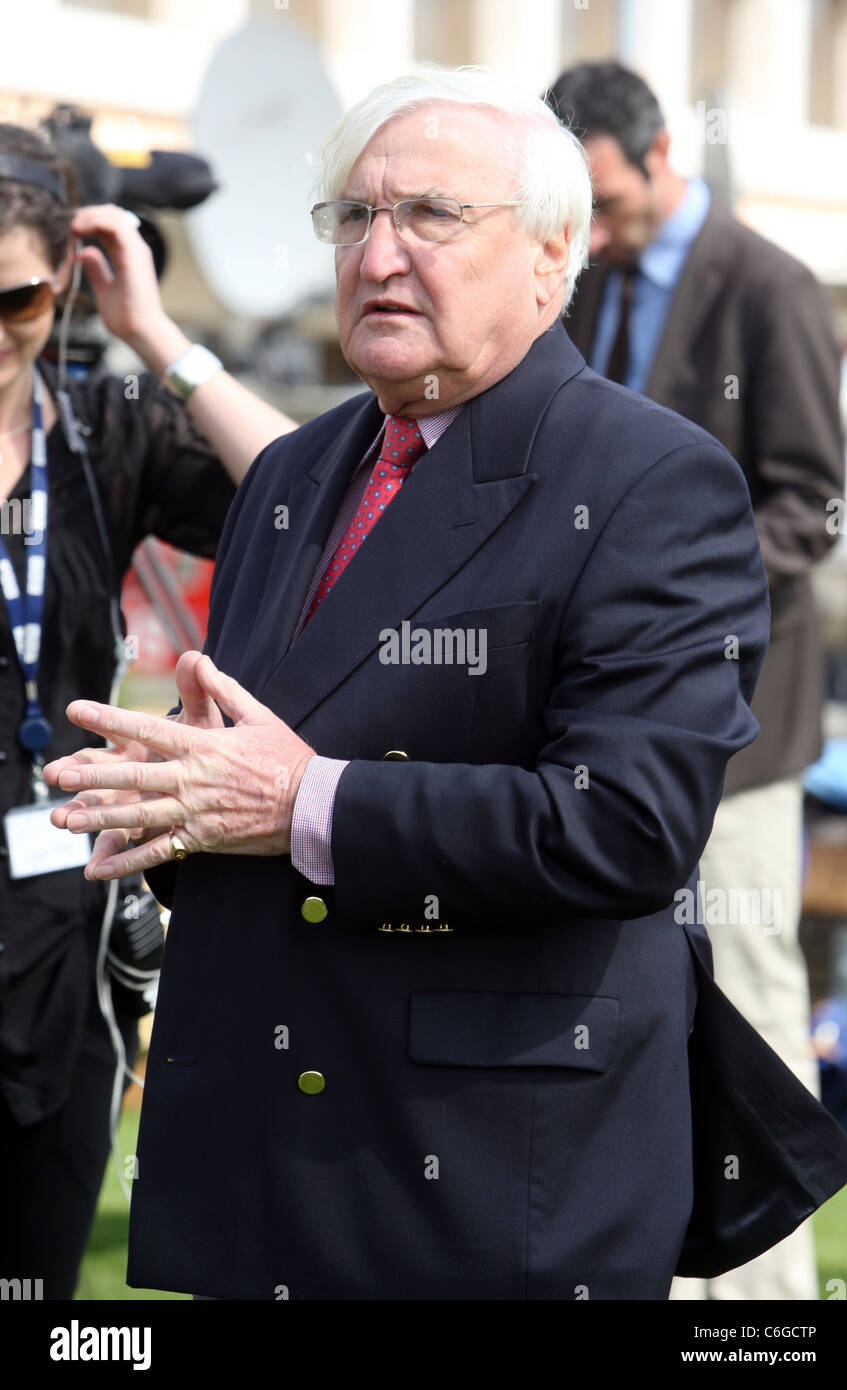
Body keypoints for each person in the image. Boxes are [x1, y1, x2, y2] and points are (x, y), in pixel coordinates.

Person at [44, 67, 847, 1302]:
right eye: (354, 218)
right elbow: (280, 740)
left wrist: (302, 804)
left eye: (429, 215)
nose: (379, 255)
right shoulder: (297, 471)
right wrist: (176, 792)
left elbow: (624, 825)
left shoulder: (651, 482)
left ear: (549, 259)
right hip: (268, 1156)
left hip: (479, 1179)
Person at [548, 60, 846, 1301]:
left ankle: (770, 1309)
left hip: (738, 732)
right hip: (590, 725)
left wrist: (658, 588)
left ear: (662, 152)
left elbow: (810, 506)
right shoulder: (580, 279)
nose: (595, 230)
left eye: (606, 202)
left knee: (756, 1001)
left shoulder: (767, 283)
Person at [0, 122, 296, 1300]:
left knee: (37, 1271)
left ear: (63, 278)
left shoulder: (101, 432)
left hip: (54, 913)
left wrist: (153, 335)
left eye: (14, 295)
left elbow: (303, 504)